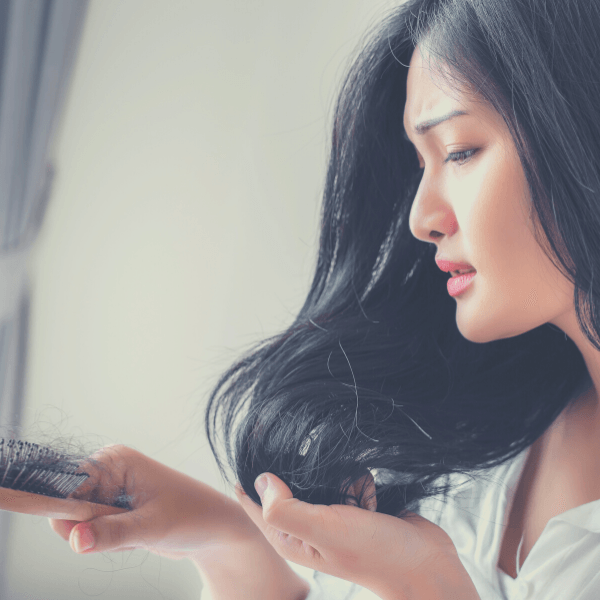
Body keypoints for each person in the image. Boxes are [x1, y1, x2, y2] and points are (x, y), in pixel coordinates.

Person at [48, 0, 600, 598]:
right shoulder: (483, 419)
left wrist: (424, 583)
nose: (420, 218)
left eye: (459, 151)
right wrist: (223, 536)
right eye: (421, 164)